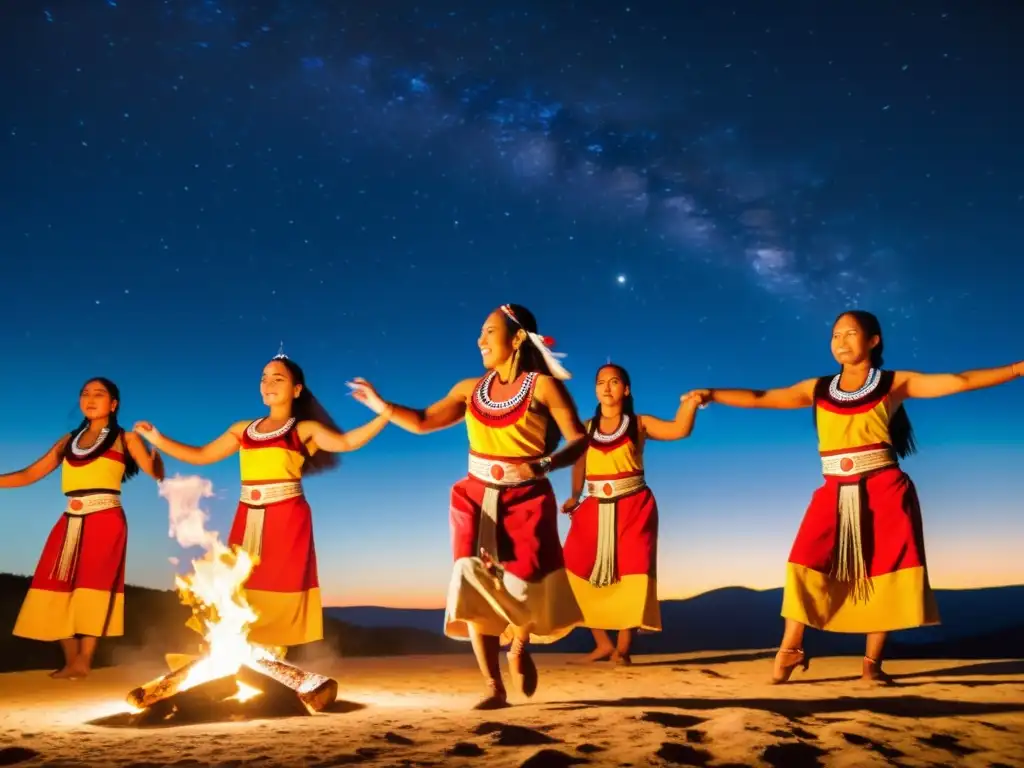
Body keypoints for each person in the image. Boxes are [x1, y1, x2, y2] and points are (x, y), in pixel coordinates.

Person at [686, 310, 1022, 685]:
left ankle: (872, 664)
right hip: (833, 490)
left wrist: (1016, 369)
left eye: (850, 333)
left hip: (885, 489)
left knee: (885, 572)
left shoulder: (895, 383)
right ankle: (792, 646)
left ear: (874, 340)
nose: (841, 341)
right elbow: (763, 396)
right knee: (804, 562)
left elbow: (959, 380)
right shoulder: (817, 388)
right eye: (834, 335)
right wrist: (712, 394)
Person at [347, 304, 588, 709]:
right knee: (472, 579)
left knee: (524, 585)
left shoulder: (544, 387)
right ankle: (493, 686)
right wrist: (382, 406)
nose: (479, 340)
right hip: (475, 499)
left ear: (516, 339)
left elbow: (579, 439)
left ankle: (519, 643)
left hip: (527, 497)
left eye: (488, 332)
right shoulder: (468, 389)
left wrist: (547, 462)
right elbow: (424, 420)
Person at [133, 353, 392, 652]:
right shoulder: (242, 429)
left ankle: (274, 656)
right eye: (264, 378)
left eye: (277, 378)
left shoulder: (303, 430)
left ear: (297, 390)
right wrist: (158, 439)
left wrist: (385, 413)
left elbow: (347, 442)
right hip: (247, 515)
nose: (268, 384)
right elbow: (202, 455)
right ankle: (239, 652)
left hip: (287, 518)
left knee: (279, 584)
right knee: (239, 584)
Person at [1, 378, 164, 679]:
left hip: (106, 518)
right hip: (70, 518)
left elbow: (154, 473)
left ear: (113, 404)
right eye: (85, 394)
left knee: (93, 587)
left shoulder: (126, 439)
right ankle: (71, 658)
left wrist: (158, 459)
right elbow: (29, 474)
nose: (90, 399)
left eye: (98, 394)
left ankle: (84, 660)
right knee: (54, 584)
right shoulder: (67, 442)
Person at [561, 363, 702, 665]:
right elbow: (578, 464)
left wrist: (689, 405)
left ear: (626, 390)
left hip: (634, 507)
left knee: (633, 576)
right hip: (594, 507)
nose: (607, 387)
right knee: (574, 573)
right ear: (595, 389)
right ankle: (601, 643)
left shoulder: (640, 423)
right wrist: (575, 496)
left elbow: (679, 430)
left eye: (614, 382)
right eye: (601, 382)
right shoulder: (585, 429)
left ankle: (623, 649)